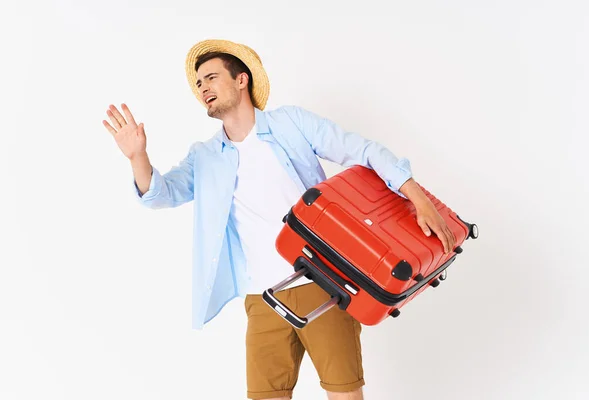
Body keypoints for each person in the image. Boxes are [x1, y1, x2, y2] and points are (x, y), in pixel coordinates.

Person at [102, 39, 456, 400]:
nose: (203, 88)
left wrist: (417, 197)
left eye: (210, 77)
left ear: (242, 80)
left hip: (323, 286)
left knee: (345, 394)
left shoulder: (290, 123)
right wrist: (137, 157)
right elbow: (161, 194)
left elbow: (361, 151)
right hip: (262, 299)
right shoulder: (205, 156)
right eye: (198, 84)